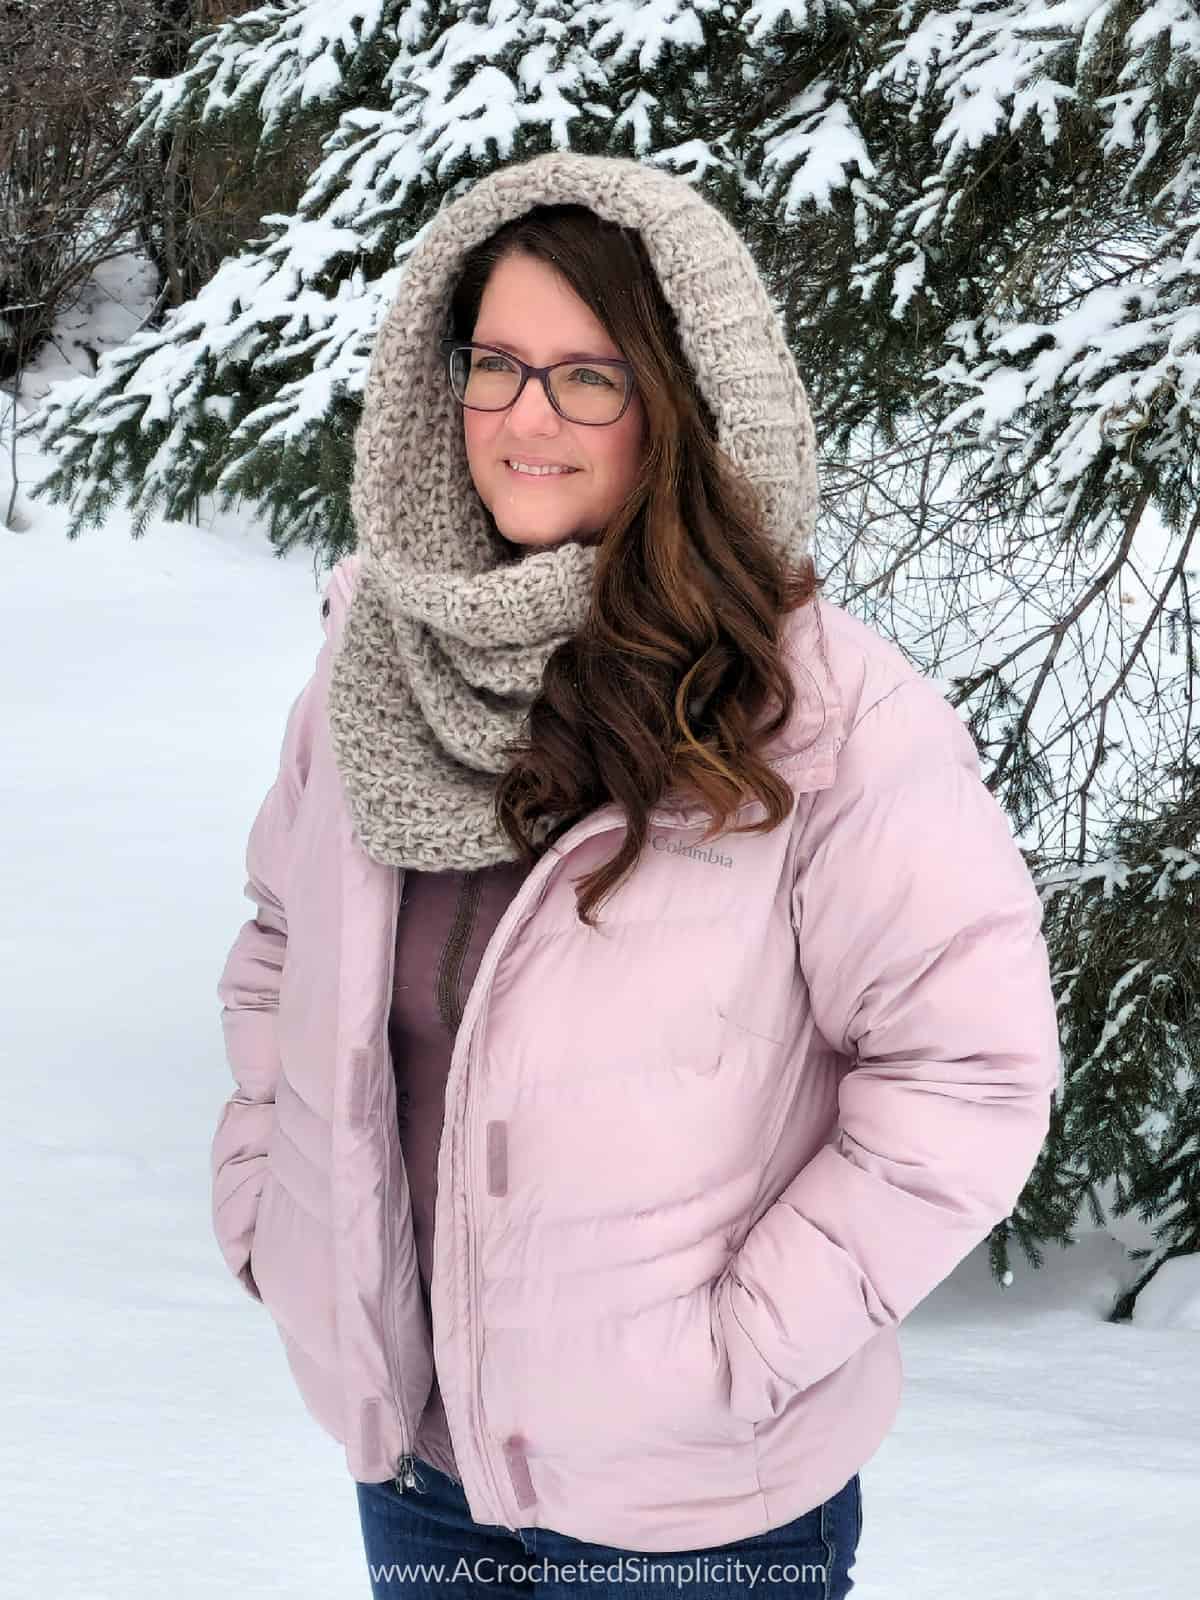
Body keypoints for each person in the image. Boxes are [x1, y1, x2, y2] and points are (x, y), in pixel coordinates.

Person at [212, 151, 1061, 1598]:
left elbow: (966, 1074)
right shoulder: (374, 675)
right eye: (495, 366)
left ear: (678, 404)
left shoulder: (821, 715)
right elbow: (283, 943)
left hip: (702, 1519)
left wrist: (732, 1356)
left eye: (587, 376)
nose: (525, 419)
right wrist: (265, 1210)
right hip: (421, 1477)